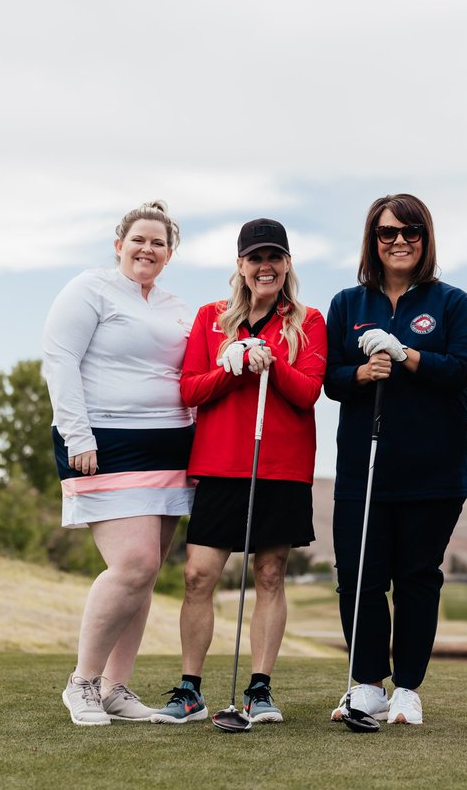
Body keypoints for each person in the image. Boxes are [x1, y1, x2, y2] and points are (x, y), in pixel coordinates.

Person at [152, 218, 327, 725]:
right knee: (197, 575)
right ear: (240, 265)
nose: (264, 266)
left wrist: (271, 362)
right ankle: (190, 689)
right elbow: (190, 390)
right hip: (222, 465)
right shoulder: (211, 318)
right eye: (255, 258)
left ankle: (260, 690)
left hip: (282, 468)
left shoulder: (308, 321)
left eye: (274, 257)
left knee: (270, 575)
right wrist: (227, 368)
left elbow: (308, 392)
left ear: (287, 263)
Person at [324, 193, 467, 725]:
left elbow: (460, 369)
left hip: (434, 468)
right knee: (360, 574)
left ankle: (408, 687)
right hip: (363, 469)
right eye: (387, 233)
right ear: (373, 240)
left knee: (417, 577)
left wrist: (406, 354)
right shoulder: (347, 303)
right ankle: (366, 684)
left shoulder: (451, 302)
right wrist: (362, 374)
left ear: (425, 239)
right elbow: (330, 379)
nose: (398, 242)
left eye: (410, 232)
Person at [42, 200, 195, 726]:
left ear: (169, 253)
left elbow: (189, 373)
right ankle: (81, 683)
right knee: (133, 565)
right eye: (138, 239)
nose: (147, 249)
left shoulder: (179, 306)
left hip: (172, 448)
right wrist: (76, 434)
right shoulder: (90, 289)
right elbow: (59, 360)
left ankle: (115, 688)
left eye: (158, 242)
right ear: (118, 245)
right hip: (104, 443)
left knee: (146, 575)